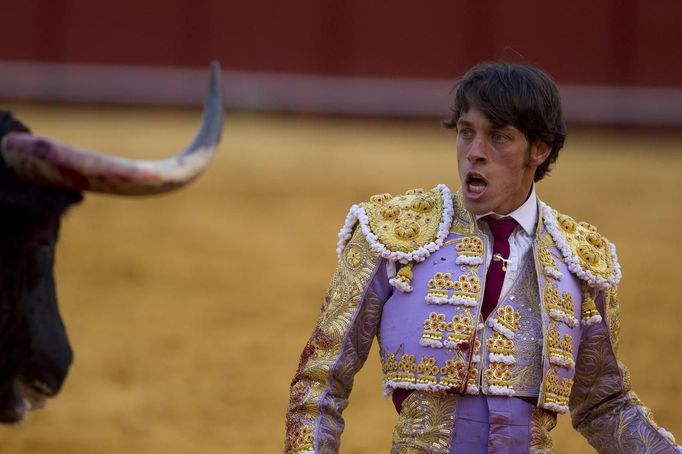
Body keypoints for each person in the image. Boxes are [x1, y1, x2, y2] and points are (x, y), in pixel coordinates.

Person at [284, 63, 681, 453]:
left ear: (539, 150)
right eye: (465, 132)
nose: (474, 153)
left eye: (499, 138)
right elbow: (321, 382)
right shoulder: (392, 236)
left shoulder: (579, 262)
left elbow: (604, 406)